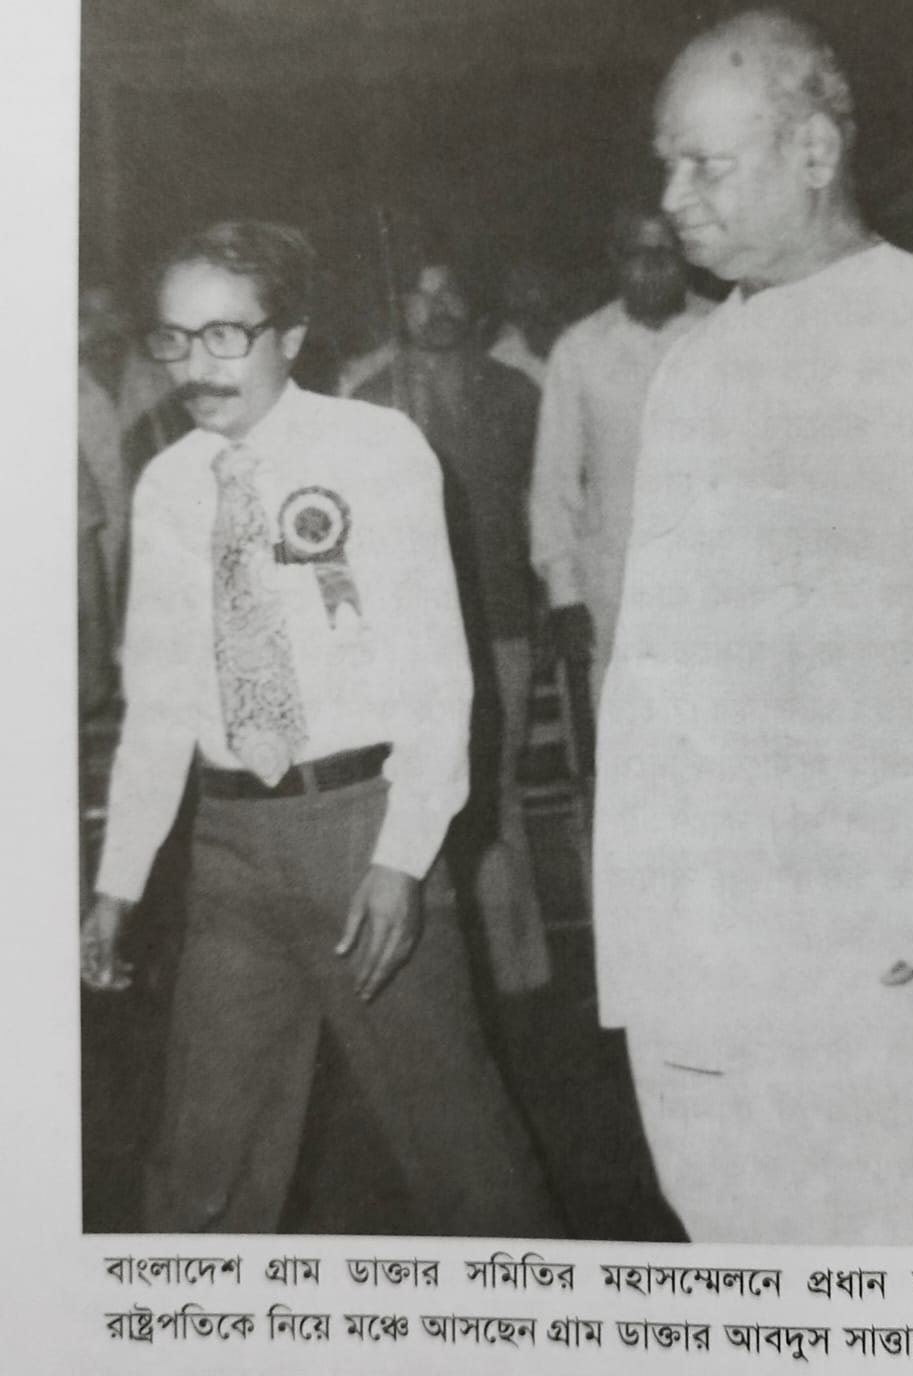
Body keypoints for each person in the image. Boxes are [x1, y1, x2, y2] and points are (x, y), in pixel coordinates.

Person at [593, 10, 913, 1245]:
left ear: (812, 152)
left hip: (871, 934)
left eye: (705, 165)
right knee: (732, 1250)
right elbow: (655, 669)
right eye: (665, 165)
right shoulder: (693, 365)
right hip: (705, 925)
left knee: (880, 1263)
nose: (672, 200)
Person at [79, 220, 562, 1235]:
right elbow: (159, 703)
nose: (197, 367)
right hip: (228, 852)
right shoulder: (167, 485)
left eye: (226, 335)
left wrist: (402, 858)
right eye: (175, 339)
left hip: (358, 829)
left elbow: (439, 678)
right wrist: (119, 883)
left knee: (462, 1159)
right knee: (201, 1168)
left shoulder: (376, 450)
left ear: (291, 336)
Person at [345, 248, 551, 996]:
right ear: (398, 308)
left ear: (474, 303)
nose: (437, 309)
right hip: (405, 640)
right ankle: (439, 973)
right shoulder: (369, 400)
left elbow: (546, 505)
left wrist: (548, 600)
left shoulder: (517, 392)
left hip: (499, 623)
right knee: (414, 797)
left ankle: (519, 976)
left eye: (450, 292)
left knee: (497, 792)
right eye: (420, 295)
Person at [530, 206, 712, 710]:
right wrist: (565, 597)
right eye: (637, 254)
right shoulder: (579, 349)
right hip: (617, 587)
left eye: (666, 253)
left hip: (713, 583)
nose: (652, 268)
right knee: (628, 729)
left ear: (687, 258)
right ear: (615, 261)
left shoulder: (727, 330)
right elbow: (554, 481)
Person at [489, 260, 569, 389]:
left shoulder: (573, 337)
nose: (533, 295)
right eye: (521, 290)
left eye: (539, 286)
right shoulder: (505, 352)